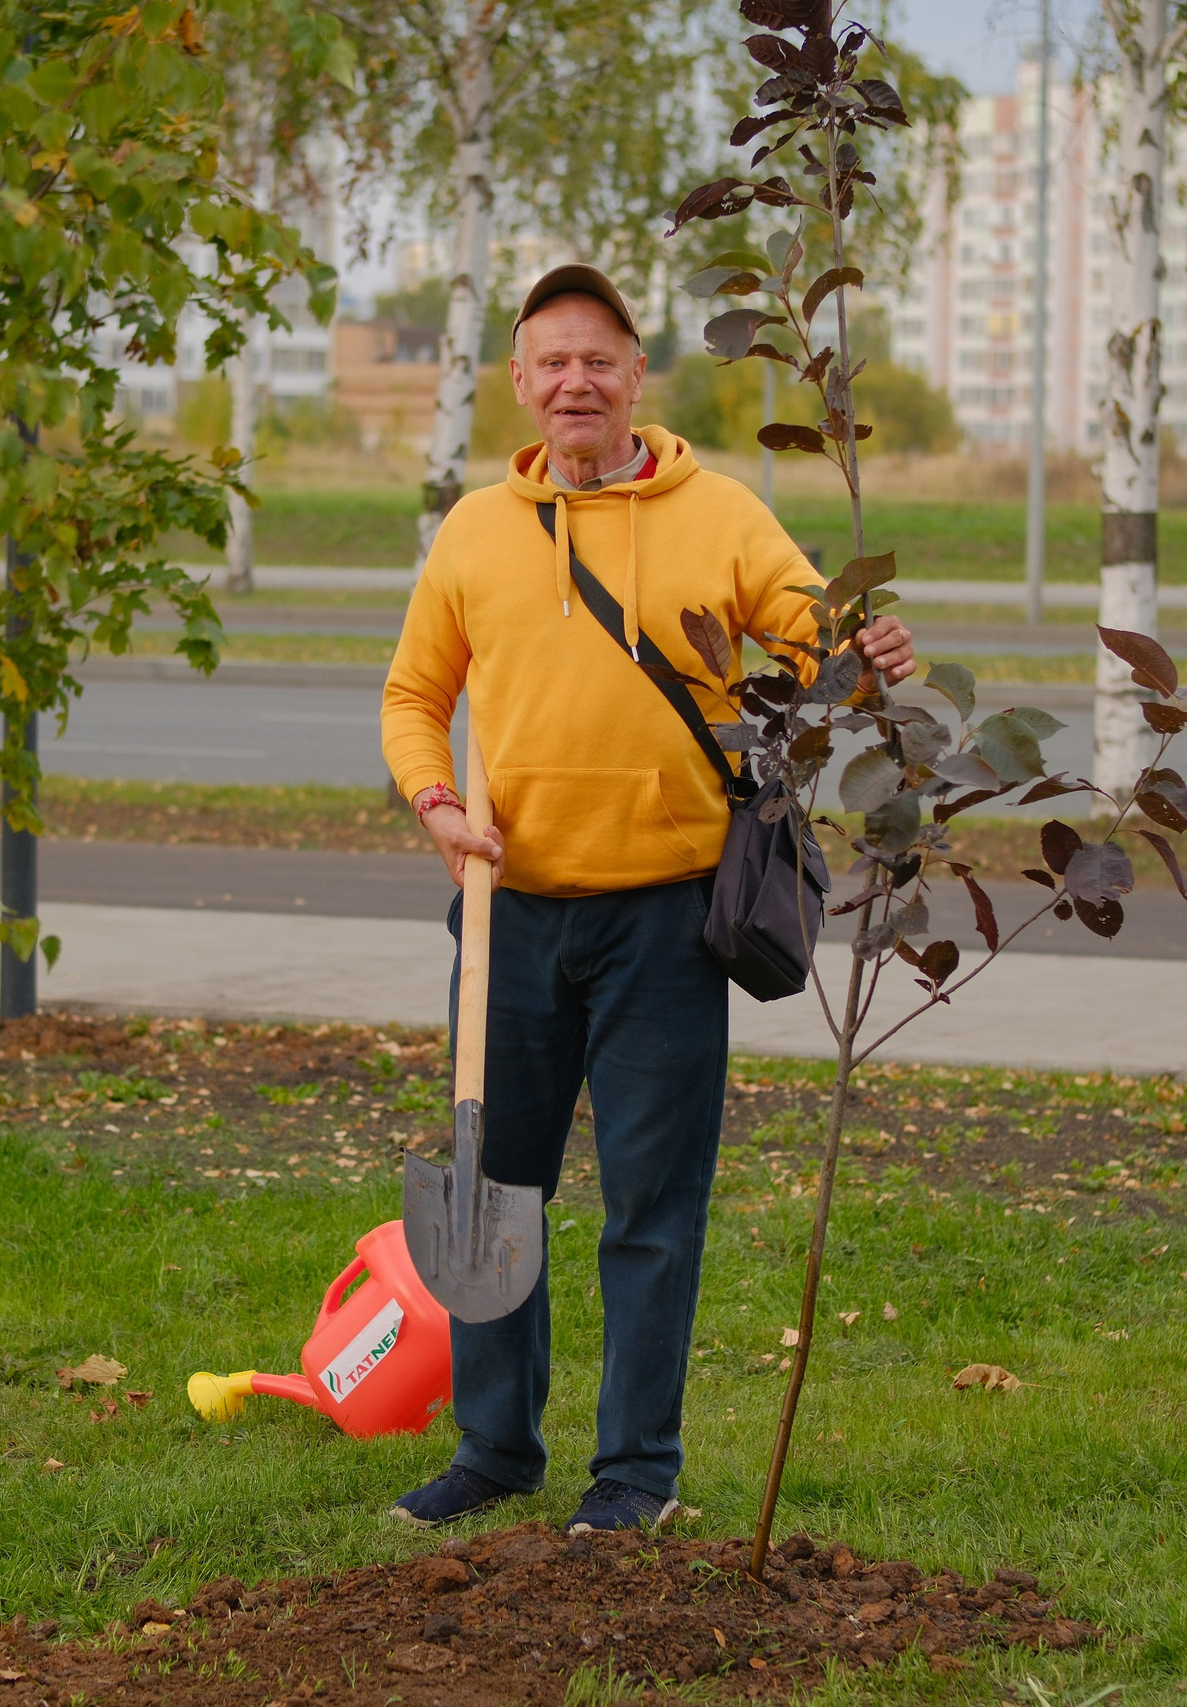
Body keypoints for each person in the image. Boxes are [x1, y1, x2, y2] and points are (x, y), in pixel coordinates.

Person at [378, 265, 916, 1535]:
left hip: (666, 921)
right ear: (520, 383)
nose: (576, 382)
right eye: (551, 362)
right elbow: (415, 698)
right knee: (493, 1192)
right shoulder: (473, 531)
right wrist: (438, 810)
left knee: (650, 1209)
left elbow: (814, 648)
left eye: (600, 361)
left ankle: (635, 1475)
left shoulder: (718, 515)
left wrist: (866, 651)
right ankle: (496, 1450)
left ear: (635, 379)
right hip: (505, 917)